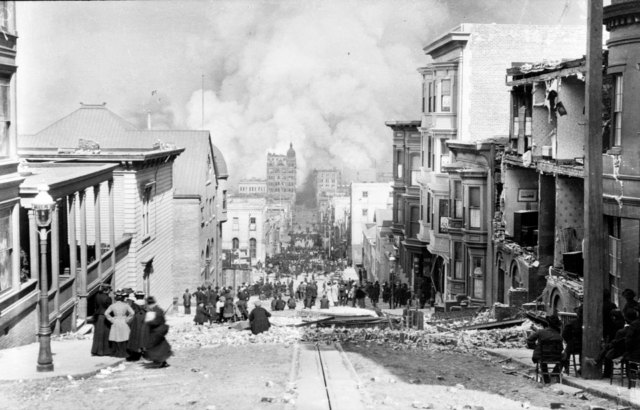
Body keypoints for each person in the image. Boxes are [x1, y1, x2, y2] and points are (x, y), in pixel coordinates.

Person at [527, 315, 564, 383]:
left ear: (548, 323)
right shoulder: (559, 336)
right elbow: (561, 349)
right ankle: (555, 373)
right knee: (564, 355)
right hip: (555, 358)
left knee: (542, 356)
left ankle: (546, 378)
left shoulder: (540, 332)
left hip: (541, 356)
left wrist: (535, 347)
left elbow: (529, 340)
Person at [144, 296, 172, 368]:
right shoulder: (156, 309)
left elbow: (157, 322)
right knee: (160, 346)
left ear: (149, 303)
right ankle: (162, 361)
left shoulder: (156, 311)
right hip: (158, 330)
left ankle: (160, 360)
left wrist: (148, 321)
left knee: (153, 346)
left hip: (157, 331)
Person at [105, 291, 135, 358]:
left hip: (115, 321)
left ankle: (116, 352)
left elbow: (106, 313)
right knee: (124, 336)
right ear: (122, 298)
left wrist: (111, 319)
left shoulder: (112, 305)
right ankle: (124, 351)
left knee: (116, 336)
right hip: (123, 321)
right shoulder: (126, 305)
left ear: (116, 298)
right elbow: (132, 313)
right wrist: (127, 319)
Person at [91, 284, 113, 356]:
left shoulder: (97, 296)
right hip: (105, 316)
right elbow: (110, 309)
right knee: (106, 333)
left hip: (98, 316)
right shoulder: (108, 298)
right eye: (109, 290)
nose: (110, 291)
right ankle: (105, 351)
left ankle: (96, 350)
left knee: (98, 333)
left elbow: (95, 307)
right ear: (106, 290)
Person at [562, 305, 584, 374]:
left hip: (572, 346)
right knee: (582, 352)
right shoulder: (588, 322)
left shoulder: (572, 322)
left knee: (565, 354)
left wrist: (569, 341)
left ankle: (566, 369)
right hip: (584, 346)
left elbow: (564, 333)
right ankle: (582, 367)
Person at [127, 291, 147, 361]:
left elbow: (131, 313)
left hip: (136, 321)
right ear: (143, 296)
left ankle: (137, 351)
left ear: (136, 296)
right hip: (146, 320)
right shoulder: (146, 304)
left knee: (136, 334)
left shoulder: (134, 304)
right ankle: (145, 351)